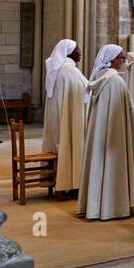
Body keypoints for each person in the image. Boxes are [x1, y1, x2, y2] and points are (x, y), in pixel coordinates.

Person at [78, 44, 134, 220]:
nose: (124, 61)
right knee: (113, 166)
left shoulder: (99, 77)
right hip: (115, 135)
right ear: (112, 60)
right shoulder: (115, 81)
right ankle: (113, 206)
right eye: (121, 58)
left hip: (100, 134)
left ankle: (95, 206)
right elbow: (127, 108)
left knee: (99, 163)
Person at [41, 38, 87, 195]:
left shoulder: (58, 69)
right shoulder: (69, 71)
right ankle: (70, 183)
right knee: (70, 146)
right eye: (77, 49)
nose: (80, 52)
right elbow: (85, 90)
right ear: (69, 53)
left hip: (57, 118)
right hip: (69, 117)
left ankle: (60, 181)